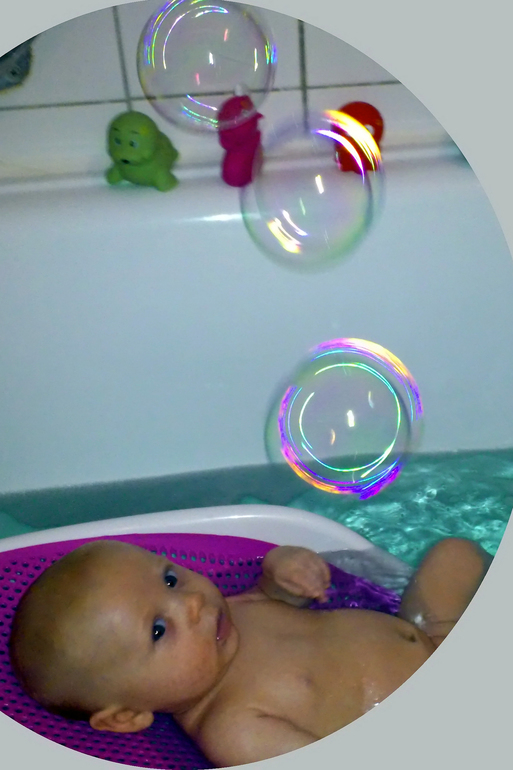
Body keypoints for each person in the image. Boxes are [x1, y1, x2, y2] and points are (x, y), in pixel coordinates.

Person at [9, 536, 491, 767]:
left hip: (429, 636)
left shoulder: (233, 611)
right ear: (128, 715)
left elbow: (279, 599)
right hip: (443, 726)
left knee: (454, 555)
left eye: (170, 579)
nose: (191, 603)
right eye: (158, 630)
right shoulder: (234, 730)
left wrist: (282, 573)